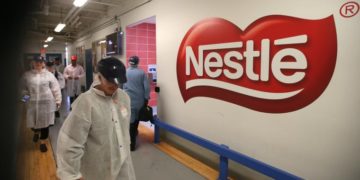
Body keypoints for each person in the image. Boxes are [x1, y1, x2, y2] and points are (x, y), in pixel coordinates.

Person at [56, 57, 136, 180]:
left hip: (123, 164)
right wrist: (71, 175)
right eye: (110, 81)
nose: (115, 85)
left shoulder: (124, 98)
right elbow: (70, 140)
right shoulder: (86, 103)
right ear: (99, 77)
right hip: (97, 168)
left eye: (118, 81)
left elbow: (124, 131)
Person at [20, 56, 61, 152]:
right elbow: (23, 89)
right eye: (36, 62)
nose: (38, 64)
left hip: (46, 104)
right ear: (33, 63)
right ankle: (36, 132)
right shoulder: (27, 75)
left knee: (45, 124)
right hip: (32, 103)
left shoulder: (49, 75)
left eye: (40, 62)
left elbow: (56, 88)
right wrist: (24, 100)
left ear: (43, 63)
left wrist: (58, 100)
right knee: (33, 124)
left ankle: (43, 142)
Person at [123, 56, 150, 151]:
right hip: (139, 101)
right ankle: (133, 139)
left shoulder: (125, 72)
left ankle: (130, 143)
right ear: (137, 62)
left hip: (127, 100)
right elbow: (147, 87)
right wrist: (146, 99)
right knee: (136, 120)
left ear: (129, 62)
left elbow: (121, 86)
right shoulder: (142, 73)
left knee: (129, 119)